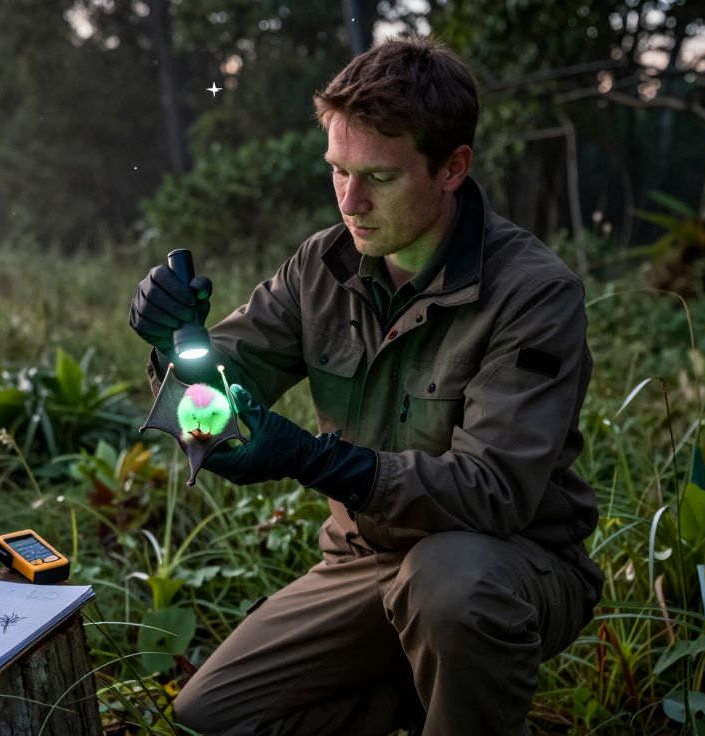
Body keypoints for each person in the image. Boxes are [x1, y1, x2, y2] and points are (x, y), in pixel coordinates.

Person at [128, 36, 604, 736]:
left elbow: (494, 493)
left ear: (452, 168)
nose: (351, 201)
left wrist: (310, 458)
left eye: (378, 178)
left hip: (507, 566)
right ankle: (430, 697)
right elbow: (216, 399)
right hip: (363, 561)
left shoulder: (533, 296)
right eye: (338, 171)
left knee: (450, 587)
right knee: (210, 717)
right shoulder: (321, 266)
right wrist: (179, 348)